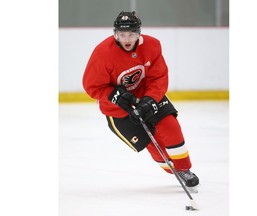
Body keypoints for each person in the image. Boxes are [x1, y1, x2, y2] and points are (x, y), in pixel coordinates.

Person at [82, 11, 199, 188]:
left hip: (147, 94)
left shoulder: (152, 45)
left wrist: (151, 99)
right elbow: (92, 86)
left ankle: (184, 169)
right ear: (115, 34)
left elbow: (158, 77)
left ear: (139, 33)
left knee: (170, 125)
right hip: (118, 110)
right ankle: (172, 169)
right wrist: (113, 95)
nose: (127, 39)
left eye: (132, 34)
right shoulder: (102, 53)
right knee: (152, 142)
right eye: (122, 34)